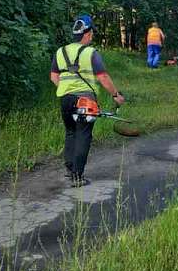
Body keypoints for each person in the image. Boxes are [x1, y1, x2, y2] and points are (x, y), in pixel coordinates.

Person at [50, 15, 125, 187]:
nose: (92, 36)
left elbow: (54, 76)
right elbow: (103, 77)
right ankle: (78, 176)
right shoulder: (91, 53)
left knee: (71, 132)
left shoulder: (60, 52)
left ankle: (70, 170)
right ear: (87, 33)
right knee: (83, 135)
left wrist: (67, 89)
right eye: (91, 33)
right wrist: (116, 95)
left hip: (65, 100)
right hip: (85, 101)